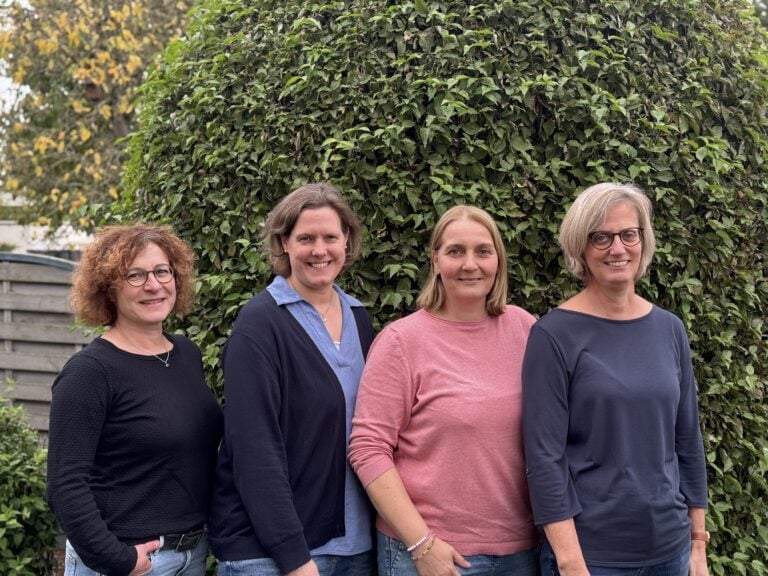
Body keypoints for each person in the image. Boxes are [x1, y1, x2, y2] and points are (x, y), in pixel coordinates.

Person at [522, 183, 710, 576]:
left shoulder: (669, 329)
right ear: (581, 247)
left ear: (643, 240)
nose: (618, 248)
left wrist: (697, 543)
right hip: (593, 557)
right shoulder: (553, 335)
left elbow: (688, 441)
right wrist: (570, 562)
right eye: (601, 237)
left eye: (628, 234)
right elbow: (544, 460)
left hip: (671, 551)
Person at [348, 205, 541, 576]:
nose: (470, 264)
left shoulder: (525, 329)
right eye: (455, 251)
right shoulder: (401, 341)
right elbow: (368, 448)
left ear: (498, 260)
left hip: (521, 552)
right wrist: (421, 543)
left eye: (483, 251)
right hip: (431, 554)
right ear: (435, 260)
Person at [208, 183, 376, 576]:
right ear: (284, 243)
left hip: (355, 547)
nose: (320, 250)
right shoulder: (260, 324)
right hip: (273, 554)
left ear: (346, 240)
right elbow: (254, 449)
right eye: (305, 239)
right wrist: (293, 557)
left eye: (330, 237)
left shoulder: (359, 318)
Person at [46, 224, 224, 576]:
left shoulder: (186, 354)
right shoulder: (89, 373)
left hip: (191, 555)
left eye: (162, 271)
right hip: (128, 562)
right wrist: (117, 560)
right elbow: (65, 485)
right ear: (108, 289)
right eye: (135, 275)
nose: (153, 285)